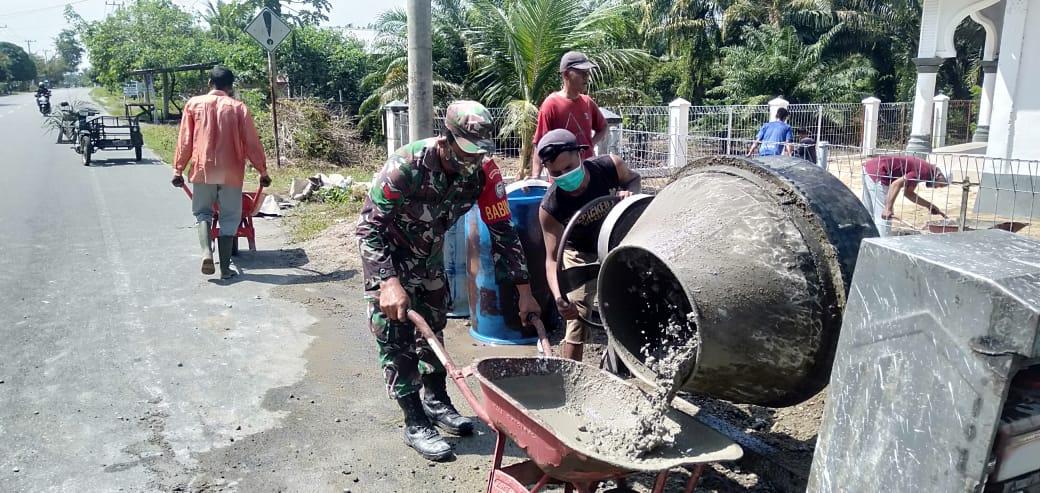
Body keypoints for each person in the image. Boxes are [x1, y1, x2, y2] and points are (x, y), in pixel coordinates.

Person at [356, 100, 540, 461]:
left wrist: (525, 292)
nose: (472, 161)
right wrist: (388, 282)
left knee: (433, 330)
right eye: (467, 150)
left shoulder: (485, 173)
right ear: (446, 137)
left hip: (429, 259)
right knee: (395, 338)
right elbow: (368, 228)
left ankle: (437, 402)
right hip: (388, 259)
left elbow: (503, 230)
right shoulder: (406, 167)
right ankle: (414, 421)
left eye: (480, 152)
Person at [537, 129, 641, 362]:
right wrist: (558, 296)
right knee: (577, 319)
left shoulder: (609, 167)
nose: (565, 176)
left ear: (581, 156)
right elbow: (552, 259)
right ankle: (573, 376)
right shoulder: (550, 208)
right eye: (557, 173)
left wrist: (630, 196)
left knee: (631, 301)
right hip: (580, 254)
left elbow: (633, 179)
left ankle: (629, 362)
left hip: (616, 242)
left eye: (569, 168)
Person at [171, 66, 270, 279]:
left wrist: (178, 169)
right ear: (230, 87)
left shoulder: (193, 104)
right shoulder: (238, 108)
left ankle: (207, 251)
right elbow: (252, 143)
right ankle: (225, 269)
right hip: (231, 171)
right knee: (230, 217)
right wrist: (262, 169)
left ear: (209, 83)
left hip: (203, 168)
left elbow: (185, 141)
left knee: (203, 213)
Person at [529, 51, 608, 179]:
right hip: (563, 176)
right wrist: (535, 176)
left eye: (587, 73)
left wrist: (590, 144)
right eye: (581, 73)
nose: (586, 78)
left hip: (587, 171)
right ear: (566, 74)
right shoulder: (551, 104)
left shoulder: (587, 102)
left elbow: (603, 127)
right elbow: (540, 143)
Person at [862, 154, 949, 236]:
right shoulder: (924, 171)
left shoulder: (925, 169)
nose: (937, 188)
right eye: (940, 185)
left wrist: (929, 206)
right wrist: (888, 208)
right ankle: (882, 245)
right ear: (939, 176)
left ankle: (864, 238)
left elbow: (909, 194)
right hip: (879, 172)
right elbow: (895, 184)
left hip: (869, 167)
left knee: (867, 212)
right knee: (884, 217)